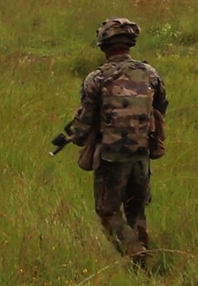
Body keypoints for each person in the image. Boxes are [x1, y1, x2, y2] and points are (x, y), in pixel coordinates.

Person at [66, 17, 168, 265]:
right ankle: (143, 266)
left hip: (111, 157)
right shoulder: (150, 73)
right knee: (136, 211)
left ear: (103, 44)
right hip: (141, 154)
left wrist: (74, 137)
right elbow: (161, 107)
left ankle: (136, 254)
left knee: (108, 212)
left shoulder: (97, 79)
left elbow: (85, 121)